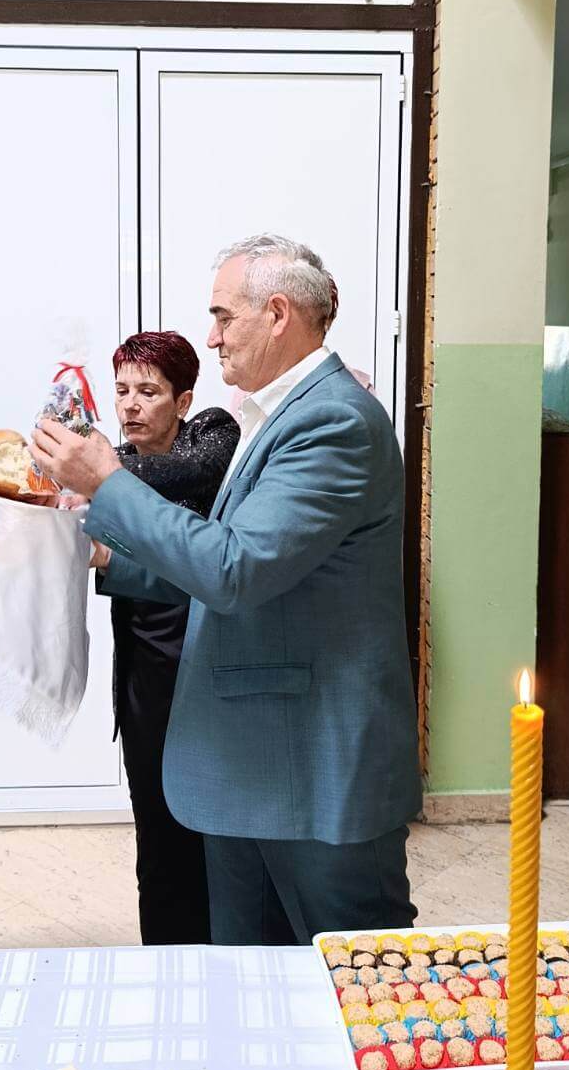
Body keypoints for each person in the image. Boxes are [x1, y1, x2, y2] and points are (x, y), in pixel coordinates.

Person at [32, 235, 421, 946]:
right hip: (256, 764)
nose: (210, 337)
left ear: (277, 314)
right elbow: (231, 554)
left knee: (344, 977)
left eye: (222, 316)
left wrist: (108, 482)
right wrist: (103, 556)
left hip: (313, 769)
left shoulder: (332, 421)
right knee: (249, 976)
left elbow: (235, 570)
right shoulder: (276, 413)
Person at [108, 331, 239, 945]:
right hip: (144, 674)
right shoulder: (114, 462)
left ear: (183, 400)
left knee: (211, 833)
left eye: (148, 392)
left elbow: (191, 473)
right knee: (156, 837)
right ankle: (162, 957)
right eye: (122, 391)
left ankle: (222, 952)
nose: (131, 405)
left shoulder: (211, 433)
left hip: (207, 665)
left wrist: (101, 475)